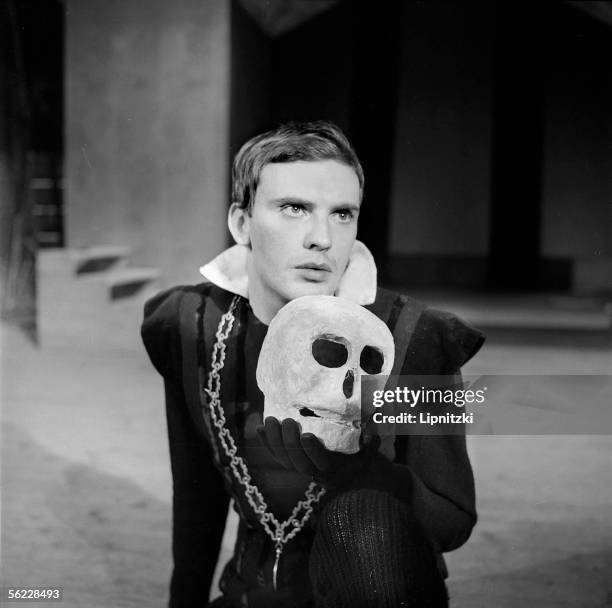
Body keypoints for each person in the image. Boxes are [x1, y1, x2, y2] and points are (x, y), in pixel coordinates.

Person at [141, 121, 485, 608]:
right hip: (246, 594)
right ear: (241, 222)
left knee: (362, 517)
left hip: (376, 589)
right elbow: (197, 499)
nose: (322, 237)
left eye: (343, 214)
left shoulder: (413, 336)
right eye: (294, 208)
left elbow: (452, 519)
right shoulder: (191, 324)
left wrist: (367, 476)